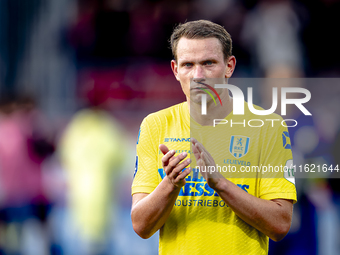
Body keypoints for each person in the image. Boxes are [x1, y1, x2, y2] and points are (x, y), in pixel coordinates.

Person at [131, 20, 297, 255]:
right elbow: (141, 225)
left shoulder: (267, 126)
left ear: (229, 66)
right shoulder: (155, 125)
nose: (198, 75)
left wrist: (221, 184)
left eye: (208, 63)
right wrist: (170, 184)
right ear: (175, 70)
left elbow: (280, 225)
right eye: (188, 65)